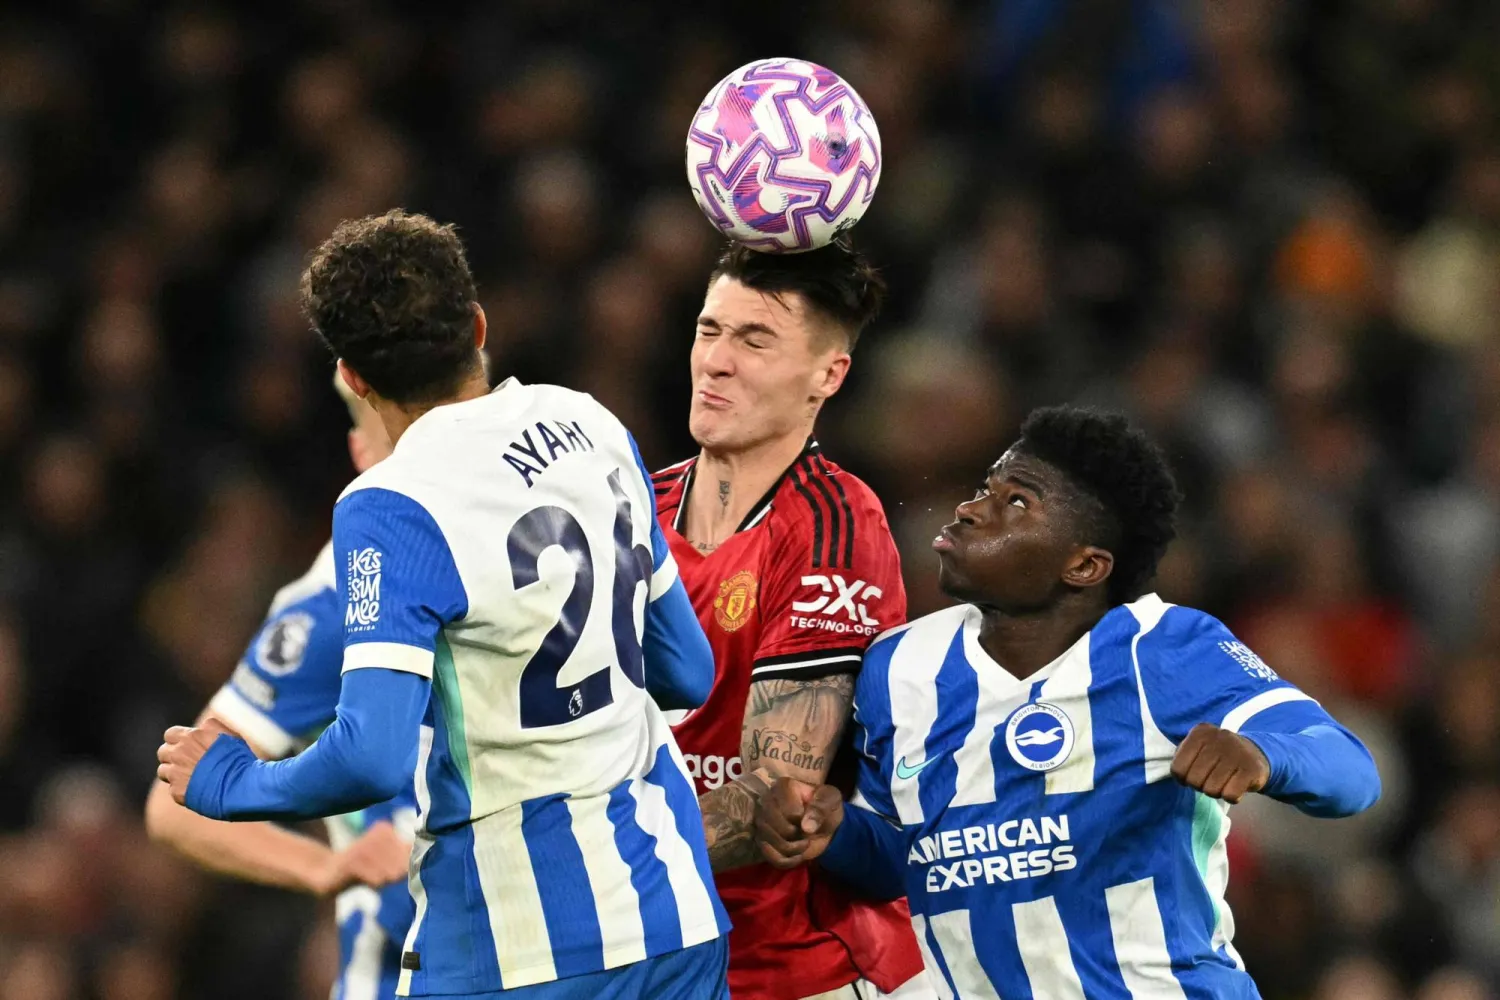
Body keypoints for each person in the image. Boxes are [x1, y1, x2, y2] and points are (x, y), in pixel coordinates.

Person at [156, 210, 730, 999]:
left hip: (516, 945)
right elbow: (688, 671)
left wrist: (233, 783)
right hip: (677, 913)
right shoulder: (592, 422)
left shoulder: (390, 505)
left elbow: (371, 755)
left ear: (353, 376)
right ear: (479, 326)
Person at [755, 406, 1382, 998]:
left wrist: (1260, 754)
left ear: (1084, 565)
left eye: (1016, 502)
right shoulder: (898, 666)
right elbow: (911, 863)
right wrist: (833, 832)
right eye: (985, 488)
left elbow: (1351, 772)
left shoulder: (1162, 649)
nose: (972, 509)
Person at [653, 241, 929, 999]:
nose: (716, 361)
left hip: (797, 968)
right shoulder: (631, 511)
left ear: (827, 376)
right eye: (710, 331)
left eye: (755, 340)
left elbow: (777, 796)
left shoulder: (836, 523)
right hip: (646, 955)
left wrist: (571, 857)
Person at [145, 371, 414, 1000]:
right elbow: (175, 805)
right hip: (403, 974)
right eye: (407, 448)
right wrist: (323, 867)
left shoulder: (531, 549)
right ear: (363, 457)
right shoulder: (331, 603)